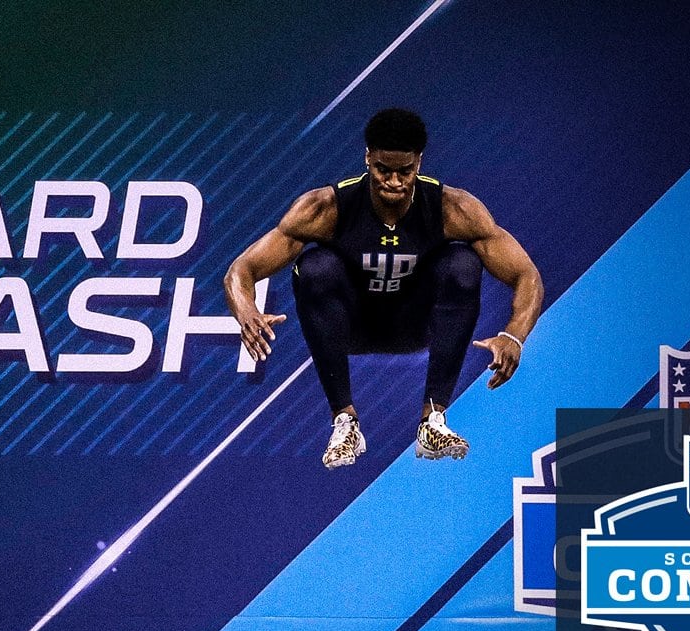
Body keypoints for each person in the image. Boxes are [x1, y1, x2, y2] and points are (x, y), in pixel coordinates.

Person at [224, 108, 543, 468]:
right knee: (314, 267)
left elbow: (526, 274)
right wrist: (246, 310)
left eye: (404, 171)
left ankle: (433, 421)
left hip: (416, 324)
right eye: (382, 170)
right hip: (351, 326)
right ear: (367, 159)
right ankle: (345, 422)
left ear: (419, 163)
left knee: (462, 263)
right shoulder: (325, 208)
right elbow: (242, 269)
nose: (393, 181)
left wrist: (515, 335)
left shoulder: (452, 208)